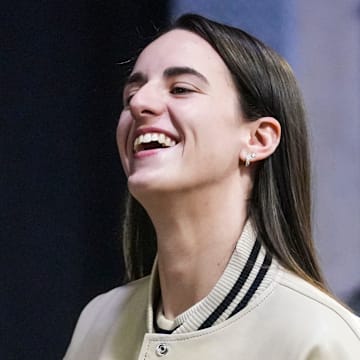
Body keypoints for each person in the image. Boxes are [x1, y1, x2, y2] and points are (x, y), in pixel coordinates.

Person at [64, 13, 360, 359]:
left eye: (180, 89)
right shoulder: (97, 322)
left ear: (258, 138)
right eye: (132, 92)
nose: (139, 103)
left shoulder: (321, 337)